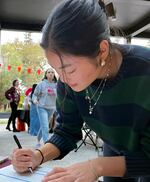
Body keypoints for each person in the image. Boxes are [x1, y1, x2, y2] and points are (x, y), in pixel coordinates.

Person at [11, 0, 150, 182]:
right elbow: (66, 131)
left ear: (102, 50)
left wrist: (96, 166)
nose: (63, 78)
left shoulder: (145, 73)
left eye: (69, 69)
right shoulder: (67, 82)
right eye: (56, 69)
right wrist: (38, 155)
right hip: (114, 151)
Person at [32, 68, 57, 147]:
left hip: (51, 108)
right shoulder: (41, 84)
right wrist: (35, 100)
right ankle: (47, 145)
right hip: (41, 107)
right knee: (46, 126)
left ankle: (38, 140)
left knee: (44, 125)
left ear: (54, 74)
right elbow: (35, 94)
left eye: (52, 72)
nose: (50, 73)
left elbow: (59, 96)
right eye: (49, 72)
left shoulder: (57, 85)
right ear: (46, 74)